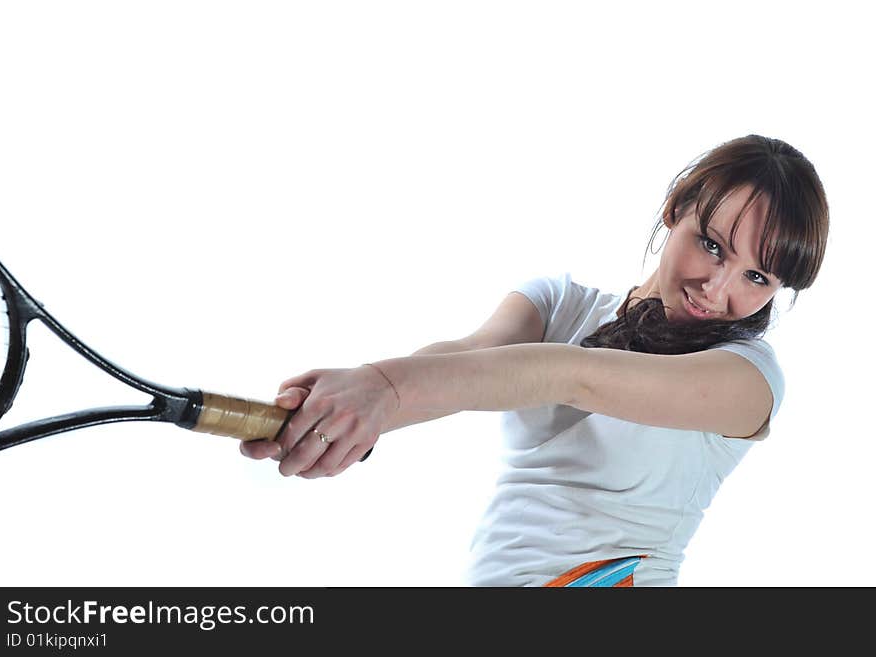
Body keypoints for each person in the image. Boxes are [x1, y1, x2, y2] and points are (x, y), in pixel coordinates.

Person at [240, 134, 829, 587]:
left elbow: (574, 376)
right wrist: (348, 416)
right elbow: (467, 359)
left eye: (756, 276)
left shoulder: (749, 377)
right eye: (711, 244)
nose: (717, 287)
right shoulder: (560, 303)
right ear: (678, 208)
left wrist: (383, 390)